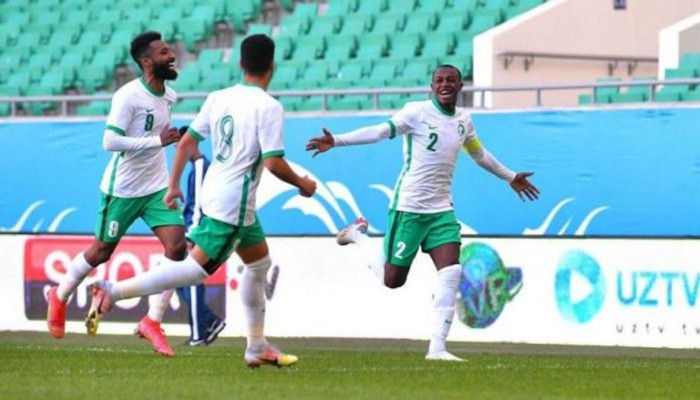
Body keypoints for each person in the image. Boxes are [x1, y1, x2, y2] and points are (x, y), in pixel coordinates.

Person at [84, 34, 317, 367]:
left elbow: (186, 142)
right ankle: (112, 290)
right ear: (272, 65)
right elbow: (273, 163)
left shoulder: (219, 97)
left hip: (221, 194)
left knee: (258, 264)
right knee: (194, 271)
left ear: (240, 63)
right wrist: (302, 183)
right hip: (234, 203)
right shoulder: (270, 107)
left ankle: (257, 345)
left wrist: (173, 185)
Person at [305, 65, 539, 361]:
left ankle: (437, 349)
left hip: (441, 211)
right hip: (409, 209)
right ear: (431, 86)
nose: (444, 84)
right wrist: (337, 140)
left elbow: (478, 153)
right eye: (439, 80)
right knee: (392, 280)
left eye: (450, 80)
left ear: (460, 85)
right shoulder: (416, 112)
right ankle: (357, 237)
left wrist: (510, 176)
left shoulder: (464, 120)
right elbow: (380, 131)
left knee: (451, 271)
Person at [46, 31, 185, 357]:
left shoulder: (170, 96)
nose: (172, 56)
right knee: (100, 252)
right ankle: (60, 295)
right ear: (147, 61)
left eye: (170, 51)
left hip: (156, 187)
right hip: (122, 190)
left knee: (178, 249)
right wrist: (158, 142)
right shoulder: (128, 96)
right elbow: (110, 141)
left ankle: (152, 321)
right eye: (164, 53)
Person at [174, 126, 226, 346]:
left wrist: (191, 236)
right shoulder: (197, 168)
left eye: (179, 145)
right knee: (179, 281)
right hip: (193, 231)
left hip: (196, 233)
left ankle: (198, 334)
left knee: (191, 280)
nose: (177, 150)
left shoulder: (200, 167)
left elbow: (199, 206)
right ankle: (210, 321)